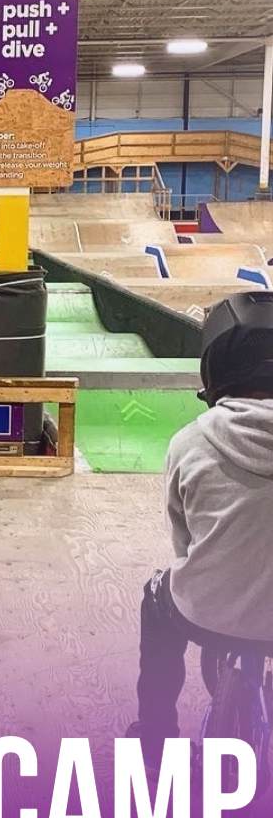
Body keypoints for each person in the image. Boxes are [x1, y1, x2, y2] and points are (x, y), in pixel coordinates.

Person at [130, 290, 273, 768]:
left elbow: (183, 538)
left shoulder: (190, 442)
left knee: (156, 600)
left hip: (204, 611)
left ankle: (155, 741)